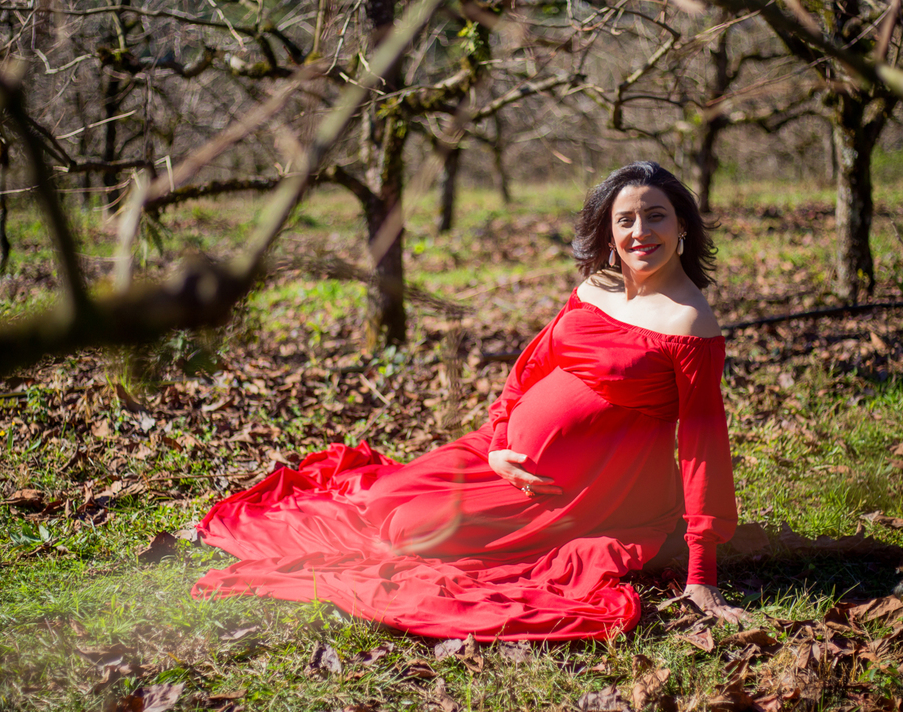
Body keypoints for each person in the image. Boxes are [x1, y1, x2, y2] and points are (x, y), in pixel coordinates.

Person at [193, 161, 743, 639]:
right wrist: (500, 441)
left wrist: (702, 572)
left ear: (682, 226)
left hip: (579, 493)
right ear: (608, 230)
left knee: (408, 530)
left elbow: (704, 447)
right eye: (626, 219)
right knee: (381, 499)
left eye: (655, 216)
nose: (640, 232)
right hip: (500, 454)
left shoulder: (689, 322)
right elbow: (531, 367)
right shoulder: (596, 287)